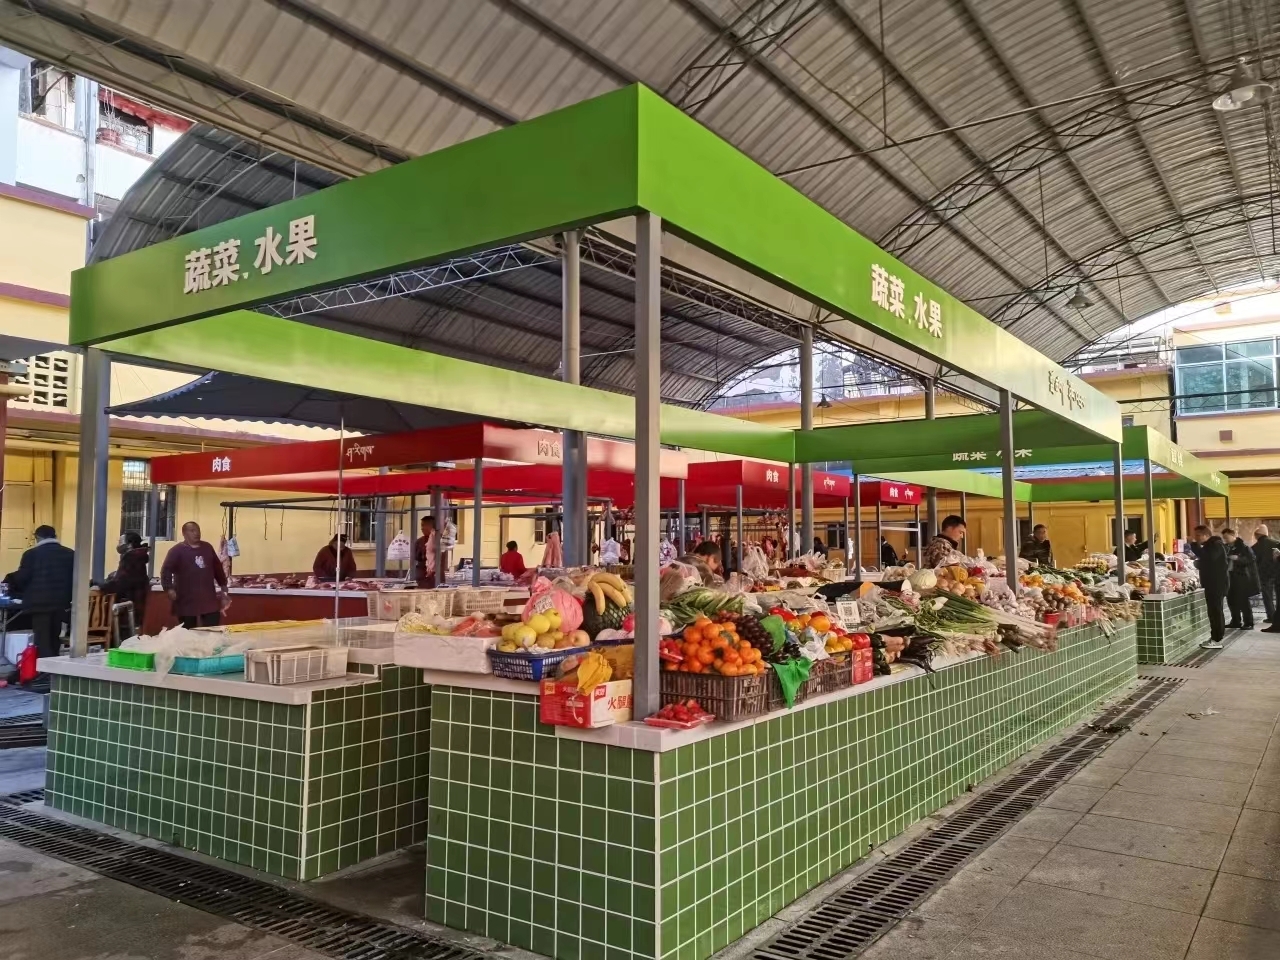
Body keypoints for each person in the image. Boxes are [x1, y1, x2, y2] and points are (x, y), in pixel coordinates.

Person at [4, 525, 74, 663]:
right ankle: (54, 666)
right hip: (61, 604)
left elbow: (23, 577)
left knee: (42, 640)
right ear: (55, 536)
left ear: (37, 537)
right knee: (54, 637)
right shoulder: (70, 553)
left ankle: (44, 670)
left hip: (39, 604)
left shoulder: (31, 554)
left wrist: (10, 581)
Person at [161, 522, 228, 629]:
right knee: (188, 630)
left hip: (207, 598)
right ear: (184, 533)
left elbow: (217, 568)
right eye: (192, 531)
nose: (196, 533)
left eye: (198, 530)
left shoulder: (207, 547)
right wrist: (169, 588)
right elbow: (166, 570)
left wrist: (223, 585)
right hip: (186, 599)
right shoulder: (176, 551)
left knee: (212, 628)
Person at [1188, 525, 1229, 649]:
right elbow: (1209, 562)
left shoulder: (1215, 545)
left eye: (1198, 536)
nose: (1196, 538)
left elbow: (1208, 558)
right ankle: (1215, 637)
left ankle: (1217, 639)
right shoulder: (1211, 545)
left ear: (1205, 535)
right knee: (1214, 611)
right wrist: (1199, 564)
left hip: (1216, 584)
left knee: (1215, 612)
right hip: (1213, 584)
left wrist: (1193, 546)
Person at [106, 531, 151, 629]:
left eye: (121, 541)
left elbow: (120, 583)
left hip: (129, 606)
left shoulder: (130, 558)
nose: (119, 544)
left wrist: (100, 586)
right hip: (136, 603)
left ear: (130, 544)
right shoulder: (137, 557)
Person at [1223, 528, 1259, 630]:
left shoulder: (1243, 547)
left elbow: (1251, 559)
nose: (1225, 540)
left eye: (1227, 537)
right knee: (1231, 599)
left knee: (1243, 600)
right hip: (1229, 576)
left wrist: (1238, 559)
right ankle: (1235, 621)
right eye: (1224, 538)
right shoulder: (1225, 547)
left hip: (1241, 577)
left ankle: (1248, 622)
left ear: (1233, 535)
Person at [1253, 525, 1280, 626]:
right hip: (1277, 573)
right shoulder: (1276, 543)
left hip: (1264, 575)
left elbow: (1254, 562)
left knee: (1267, 596)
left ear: (1257, 535)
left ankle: (1271, 616)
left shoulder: (1255, 547)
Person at [414, 516, 437, 587]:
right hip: (422, 576)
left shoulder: (438, 540)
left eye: (424, 525)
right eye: (421, 525)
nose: (422, 528)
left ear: (431, 526)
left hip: (435, 576)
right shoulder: (419, 541)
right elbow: (416, 557)